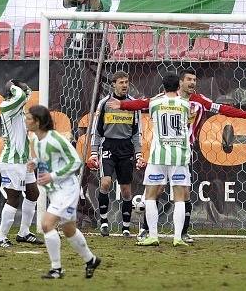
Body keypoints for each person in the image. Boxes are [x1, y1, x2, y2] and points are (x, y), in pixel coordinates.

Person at [108, 69, 246, 243]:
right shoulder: (178, 102)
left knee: (183, 194)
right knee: (162, 191)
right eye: (189, 79)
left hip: (182, 150)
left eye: (195, 80)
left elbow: (222, 108)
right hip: (178, 153)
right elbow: (142, 104)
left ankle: (181, 233)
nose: (193, 83)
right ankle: (148, 230)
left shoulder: (195, 100)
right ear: (180, 83)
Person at [26, 105, 100, 279]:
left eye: (29, 118)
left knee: (46, 225)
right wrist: (35, 163)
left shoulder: (55, 139)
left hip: (66, 189)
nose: (26, 121)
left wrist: (52, 176)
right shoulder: (35, 139)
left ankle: (56, 269)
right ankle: (91, 260)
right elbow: (44, 158)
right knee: (69, 230)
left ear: (38, 121)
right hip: (55, 191)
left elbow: (76, 162)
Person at [134, 72, 192, 247]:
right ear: (178, 86)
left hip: (159, 155)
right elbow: (188, 122)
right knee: (180, 198)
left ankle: (153, 236)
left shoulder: (155, 103)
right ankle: (177, 238)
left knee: (150, 196)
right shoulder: (185, 104)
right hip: (180, 155)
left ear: (163, 86)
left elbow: (147, 106)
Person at [87, 71, 144, 238]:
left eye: (126, 82)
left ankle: (126, 227)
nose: (125, 85)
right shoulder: (104, 103)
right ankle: (104, 222)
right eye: (121, 82)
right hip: (108, 146)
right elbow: (97, 131)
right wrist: (94, 153)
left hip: (126, 148)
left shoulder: (133, 105)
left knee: (126, 190)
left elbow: (136, 132)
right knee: (105, 183)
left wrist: (139, 154)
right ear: (113, 84)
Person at [0, 79, 43, 247]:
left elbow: (24, 95)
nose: (26, 93)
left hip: (23, 161)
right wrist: (12, 85)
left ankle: (24, 232)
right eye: (22, 90)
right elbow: (22, 95)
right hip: (11, 161)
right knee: (14, 197)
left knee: (33, 193)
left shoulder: (18, 109)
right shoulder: (7, 107)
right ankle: (0, 237)